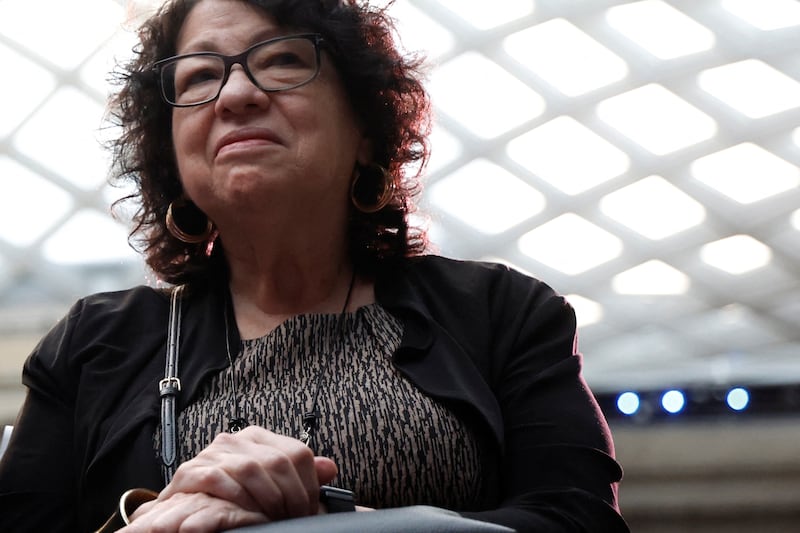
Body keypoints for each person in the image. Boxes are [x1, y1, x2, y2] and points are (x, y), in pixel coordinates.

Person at [0, 0, 629, 531]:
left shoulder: (502, 313)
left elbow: (577, 518)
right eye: (197, 78)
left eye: (282, 62)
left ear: (364, 128)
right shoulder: (93, 343)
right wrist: (153, 519)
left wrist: (328, 519)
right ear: (172, 153)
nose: (237, 94)